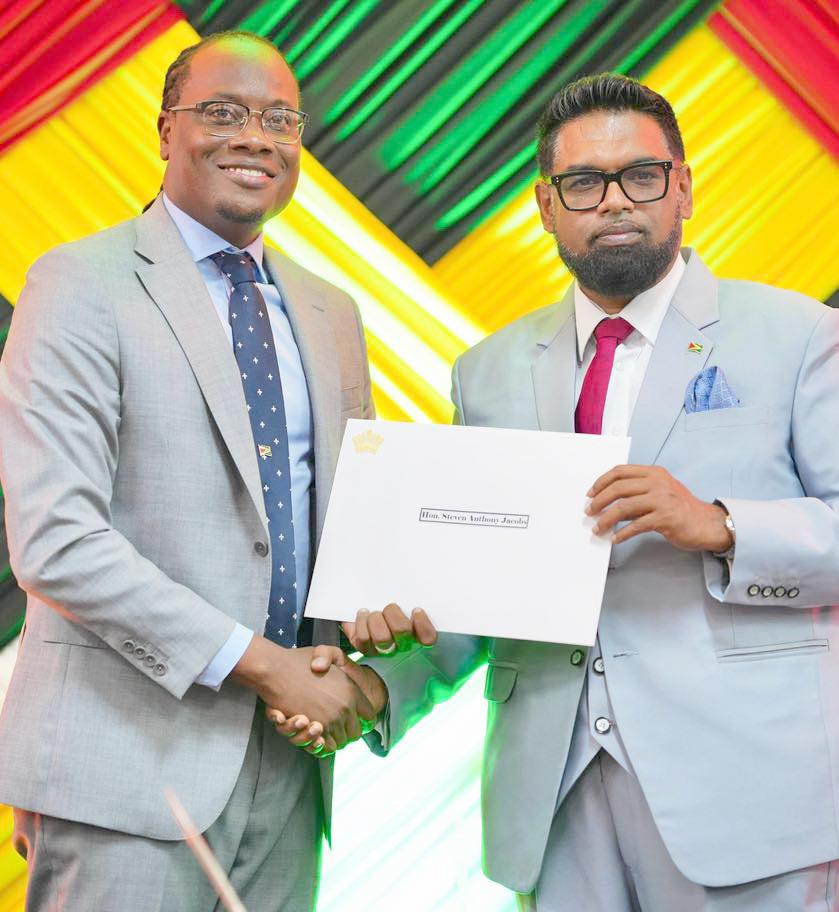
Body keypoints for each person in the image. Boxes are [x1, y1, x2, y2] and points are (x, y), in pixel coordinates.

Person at [278, 74, 839, 910]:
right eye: (582, 183)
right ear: (545, 206)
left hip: (747, 795)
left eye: (640, 176)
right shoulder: (488, 370)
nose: (613, 201)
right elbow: (476, 590)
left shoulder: (798, 336)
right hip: (551, 799)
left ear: (683, 188)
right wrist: (378, 686)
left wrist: (720, 525)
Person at [0, 29, 389, 912]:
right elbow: (57, 541)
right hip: (125, 768)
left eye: (280, 119)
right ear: (165, 129)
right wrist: (260, 663)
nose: (255, 137)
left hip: (292, 764)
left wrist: (373, 662)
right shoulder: (79, 283)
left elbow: (354, 527)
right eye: (223, 112)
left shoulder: (331, 313)